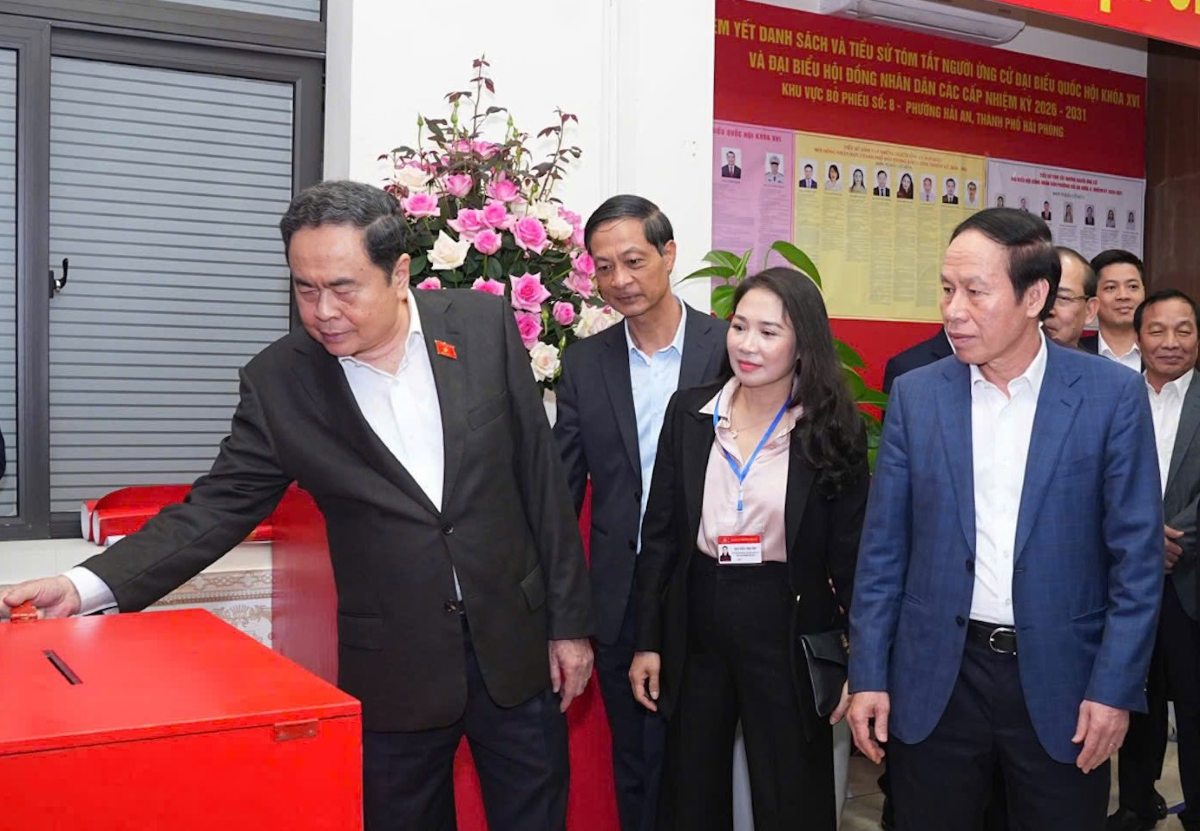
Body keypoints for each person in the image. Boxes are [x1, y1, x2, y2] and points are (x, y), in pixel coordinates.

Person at [0, 180, 595, 831]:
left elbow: (540, 479)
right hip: (394, 666)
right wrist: (81, 587)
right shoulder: (281, 382)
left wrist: (569, 624)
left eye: (343, 288)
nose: (323, 311)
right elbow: (214, 510)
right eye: (305, 289)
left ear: (399, 274)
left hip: (514, 646)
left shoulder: (480, 327)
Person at [848, 208, 1163, 830]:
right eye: (946, 289)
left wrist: (1113, 688)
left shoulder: (1110, 396)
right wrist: (869, 674)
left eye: (975, 291)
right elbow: (884, 550)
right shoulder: (918, 393)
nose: (953, 310)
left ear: (1034, 297)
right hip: (937, 679)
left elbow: (1137, 562)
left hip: (1063, 684)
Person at [630, 267, 869, 830]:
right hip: (699, 615)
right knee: (691, 791)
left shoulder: (832, 429)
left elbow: (853, 557)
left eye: (768, 332)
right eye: (739, 327)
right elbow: (660, 537)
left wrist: (861, 662)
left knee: (792, 793)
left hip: (785, 617)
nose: (747, 345)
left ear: (803, 344)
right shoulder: (690, 413)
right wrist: (648, 641)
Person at [554, 194, 728, 831]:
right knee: (634, 758)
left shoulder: (726, 347)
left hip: (710, 586)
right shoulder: (585, 362)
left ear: (669, 254)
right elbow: (562, 490)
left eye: (633, 261)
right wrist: (558, 607)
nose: (619, 280)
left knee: (701, 760)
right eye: (603, 268)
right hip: (622, 595)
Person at [1107, 289, 1200, 831]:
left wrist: (1177, 538)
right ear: (1137, 337)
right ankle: (1137, 805)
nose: (1170, 341)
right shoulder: (1114, 396)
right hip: (1125, 582)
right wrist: (1141, 541)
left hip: (1190, 577)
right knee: (1133, 697)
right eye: (1157, 330)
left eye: (1183, 329)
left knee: (1194, 707)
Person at [1079, 249, 1146, 371]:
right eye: (1111, 288)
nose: (1123, 296)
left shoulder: (1161, 352)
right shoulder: (1077, 353)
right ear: (1093, 300)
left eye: (1132, 286)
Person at [1043, 246, 1098, 350]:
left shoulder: (1096, 362)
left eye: (1063, 298)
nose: (1048, 310)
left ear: (1090, 310)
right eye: (1038, 295)